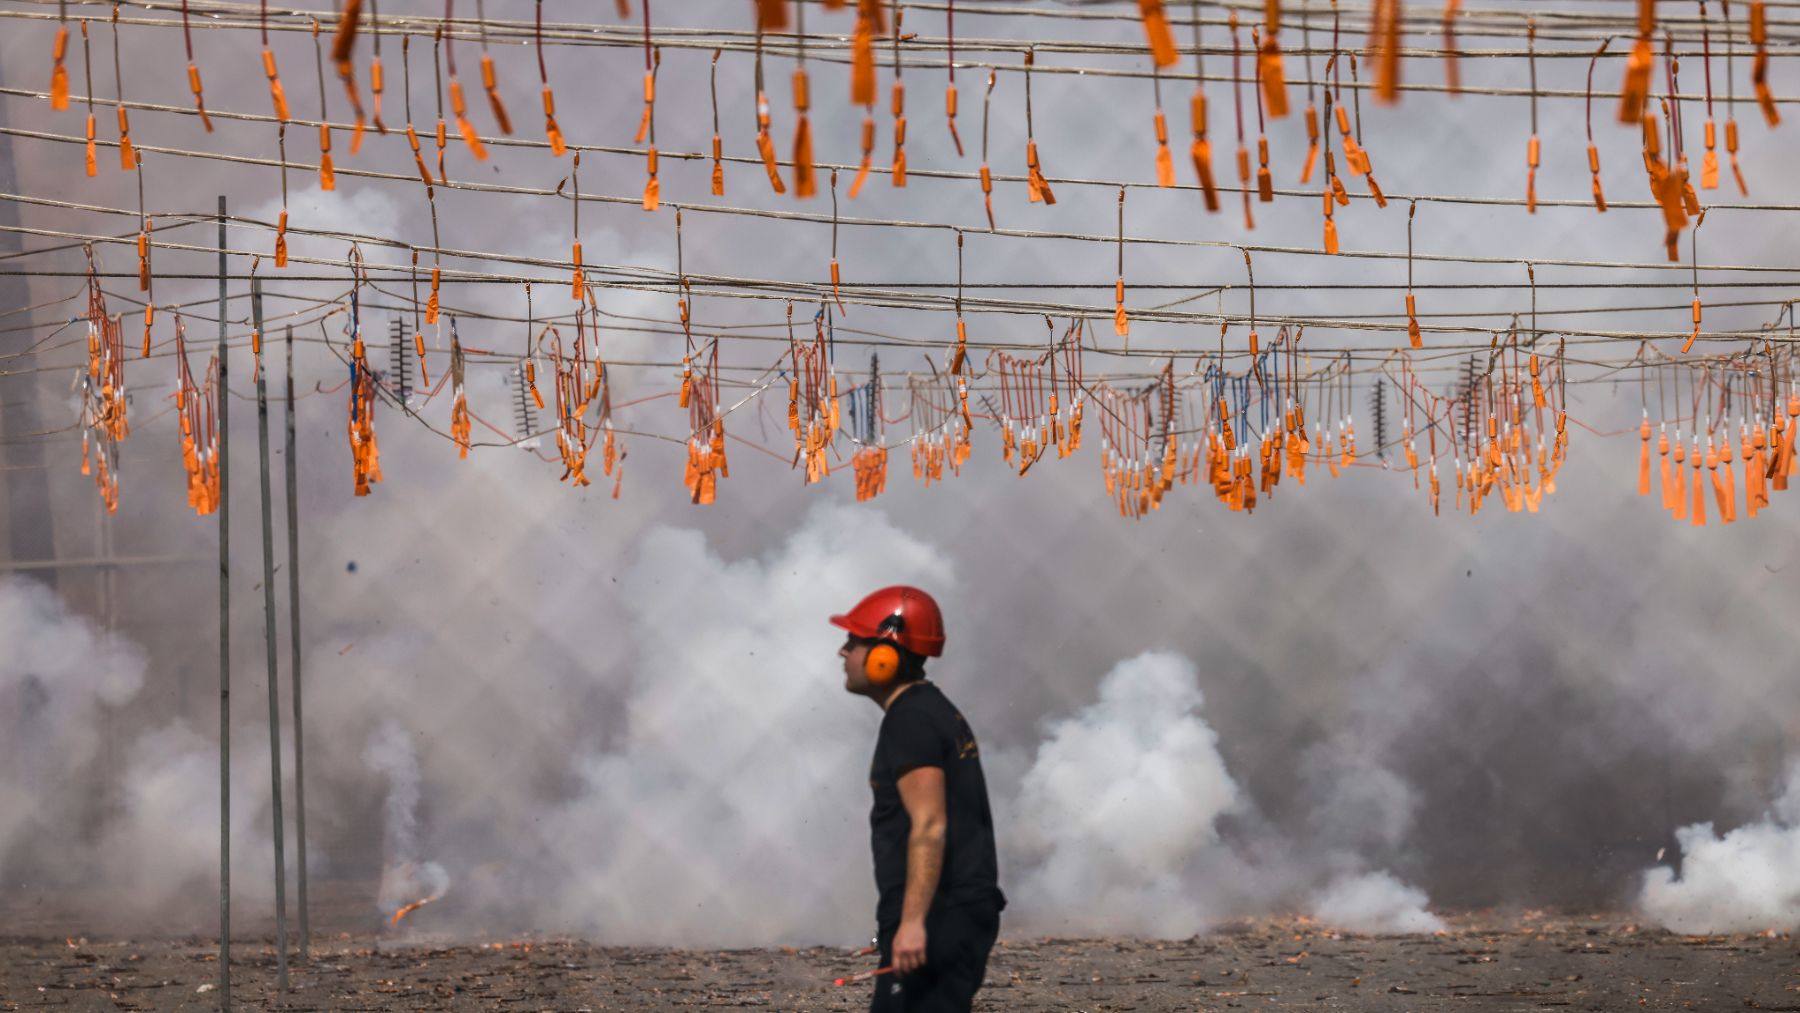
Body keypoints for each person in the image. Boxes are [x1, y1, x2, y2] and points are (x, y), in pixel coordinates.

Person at [832, 586, 1005, 1013]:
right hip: (950, 915)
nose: (843, 652)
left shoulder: (910, 721)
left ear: (885, 656)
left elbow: (929, 824)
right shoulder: (928, 711)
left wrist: (911, 924)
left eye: (854, 642)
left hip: (941, 918)